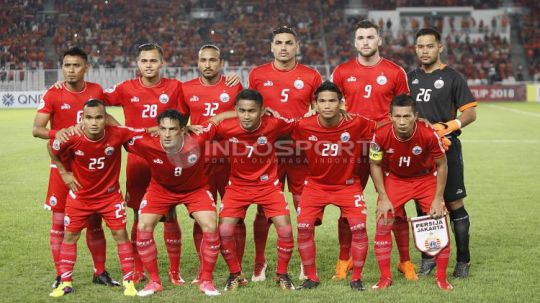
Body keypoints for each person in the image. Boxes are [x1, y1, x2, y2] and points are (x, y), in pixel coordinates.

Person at [331, 19, 414, 281]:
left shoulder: (395, 72)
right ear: (355, 42)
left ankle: (404, 261)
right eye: (361, 38)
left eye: (370, 37)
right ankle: (344, 260)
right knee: (348, 207)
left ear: (379, 40)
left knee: (395, 205)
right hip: (351, 148)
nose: (365, 42)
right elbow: (332, 108)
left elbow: (405, 110)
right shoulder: (342, 71)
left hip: (386, 147)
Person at [32, 47, 115, 289]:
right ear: (62, 67)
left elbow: (106, 118)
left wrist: (125, 133)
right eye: (67, 65)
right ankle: (61, 274)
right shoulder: (53, 93)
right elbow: (37, 129)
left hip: (91, 168)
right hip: (63, 168)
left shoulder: (95, 91)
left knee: (94, 222)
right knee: (59, 223)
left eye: (76, 65)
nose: (71, 70)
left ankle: (99, 272)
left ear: (86, 67)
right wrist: (62, 132)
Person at [248, 26, 322, 281]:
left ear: (297, 46)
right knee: (263, 209)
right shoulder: (257, 75)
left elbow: (319, 110)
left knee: (305, 208)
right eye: (278, 42)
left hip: (301, 151)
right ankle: (260, 262)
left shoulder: (311, 76)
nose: (283, 47)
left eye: (288, 43)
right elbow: (250, 109)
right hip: (268, 153)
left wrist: (312, 115)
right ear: (271, 46)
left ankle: (305, 262)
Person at [47, 99, 141, 297]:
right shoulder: (72, 136)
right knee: (70, 236)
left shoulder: (118, 133)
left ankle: (129, 281)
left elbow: (144, 132)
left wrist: (176, 129)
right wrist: (63, 172)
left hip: (110, 197)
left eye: (99, 117)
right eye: (89, 118)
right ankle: (65, 282)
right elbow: (51, 146)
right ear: (82, 119)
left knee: (120, 234)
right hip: (80, 197)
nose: (94, 122)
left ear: (106, 118)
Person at [124, 109, 223, 296]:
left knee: (210, 225)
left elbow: (217, 119)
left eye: (173, 129)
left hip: (196, 189)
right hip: (160, 190)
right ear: (158, 129)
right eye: (163, 129)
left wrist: (261, 111)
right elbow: (119, 133)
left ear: (183, 130)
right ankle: (154, 282)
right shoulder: (146, 143)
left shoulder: (199, 138)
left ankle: (206, 280)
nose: (167, 134)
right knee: (143, 226)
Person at [293, 81, 376, 291]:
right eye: (322, 101)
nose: (327, 105)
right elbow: (277, 128)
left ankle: (356, 277)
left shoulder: (357, 123)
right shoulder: (303, 125)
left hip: (347, 186)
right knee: (303, 228)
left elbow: (384, 126)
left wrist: (419, 122)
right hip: (315, 186)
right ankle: (311, 277)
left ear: (341, 103)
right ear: (315, 104)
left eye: (332, 101)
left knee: (359, 228)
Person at [408, 27, 477, 278]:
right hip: (418, 151)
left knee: (453, 203)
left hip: (446, 149)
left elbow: (470, 114)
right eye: (420, 46)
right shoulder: (410, 78)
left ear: (440, 47)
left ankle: (463, 261)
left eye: (429, 46)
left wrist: (447, 127)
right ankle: (429, 257)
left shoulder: (452, 77)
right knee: (423, 205)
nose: (424, 51)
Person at [215, 89, 296, 291]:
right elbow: (204, 128)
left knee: (285, 229)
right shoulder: (226, 127)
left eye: (252, 111)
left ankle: (282, 274)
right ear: (235, 110)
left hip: (268, 185)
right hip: (238, 186)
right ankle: (235, 274)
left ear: (262, 111)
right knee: (224, 230)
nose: (246, 116)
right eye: (241, 111)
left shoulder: (274, 124)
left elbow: (297, 124)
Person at [369, 94, 452, 290]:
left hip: (425, 179)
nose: (402, 121)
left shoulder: (428, 133)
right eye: (397, 116)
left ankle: (441, 278)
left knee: (439, 221)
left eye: (407, 116)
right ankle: (385, 278)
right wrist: (383, 197)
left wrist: (438, 198)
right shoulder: (380, 134)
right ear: (390, 116)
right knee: (384, 220)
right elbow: (375, 164)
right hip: (396, 179)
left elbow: (442, 165)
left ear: (415, 116)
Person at [180, 44, 243, 283]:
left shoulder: (233, 85)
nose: (208, 64)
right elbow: (178, 121)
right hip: (199, 161)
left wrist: (218, 118)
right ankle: (203, 268)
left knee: (234, 216)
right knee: (202, 216)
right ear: (198, 63)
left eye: (213, 60)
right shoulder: (186, 89)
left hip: (231, 160)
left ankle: (235, 269)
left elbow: (246, 112)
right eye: (203, 60)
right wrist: (186, 127)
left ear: (221, 62)